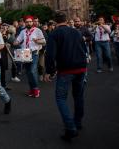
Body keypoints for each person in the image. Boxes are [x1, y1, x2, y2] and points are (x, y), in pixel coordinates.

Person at [44, 12, 87, 142]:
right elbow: (84, 49)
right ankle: (78, 122)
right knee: (78, 96)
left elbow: (50, 54)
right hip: (81, 67)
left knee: (61, 98)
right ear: (66, 20)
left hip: (67, 69)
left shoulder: (54, 34)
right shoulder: (76, 32)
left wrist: (49, 71)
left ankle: (70, 127)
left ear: (55, 22)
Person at [14, 15, 46, 98]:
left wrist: (37, 41)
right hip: (25, 53)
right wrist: (15, 42)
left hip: (34, 53)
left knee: (32, 71)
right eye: (27, 22)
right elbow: (18, 40)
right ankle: (31, 89)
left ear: (32, 22)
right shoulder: (23, 31)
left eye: (30, 21)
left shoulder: (37, 30)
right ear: (25, 23)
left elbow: (44, 41)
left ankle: (36, 89)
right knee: (28, 73)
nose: (29, 23)